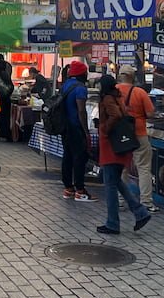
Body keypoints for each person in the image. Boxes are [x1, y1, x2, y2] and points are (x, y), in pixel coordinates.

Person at [96, 75, 151, 235]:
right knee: (116, 181)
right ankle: (140, 211)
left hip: (112, 145)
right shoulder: (117, 96)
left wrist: (105, 128)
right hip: (120, 144)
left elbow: (116, 116)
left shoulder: (107, 98)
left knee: (111, 185)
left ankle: (113, 223)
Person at [117, 64, 158, 212]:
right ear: (132, 76)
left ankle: (120, 201)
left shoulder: (113, 91)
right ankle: (146, 202)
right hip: (139, 133)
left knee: (122, 169)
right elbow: (151, 113)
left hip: (120, 135)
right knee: (144, 168)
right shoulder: (140, 92)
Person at [60, 61, 95, 201]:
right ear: (82, 73)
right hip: (75, 127)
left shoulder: (66, 85)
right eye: (85, 72)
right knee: (79, 158)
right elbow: (81, 110)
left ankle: (68, 188)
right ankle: (80, 190)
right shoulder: (80, 88)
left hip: (65, 127)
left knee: (67, 157)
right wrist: (86, 131)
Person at [0, 55, 14, 141]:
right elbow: (10, 85)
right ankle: (6, 134)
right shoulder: (8, 67)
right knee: (6, 117)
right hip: (6, 97)